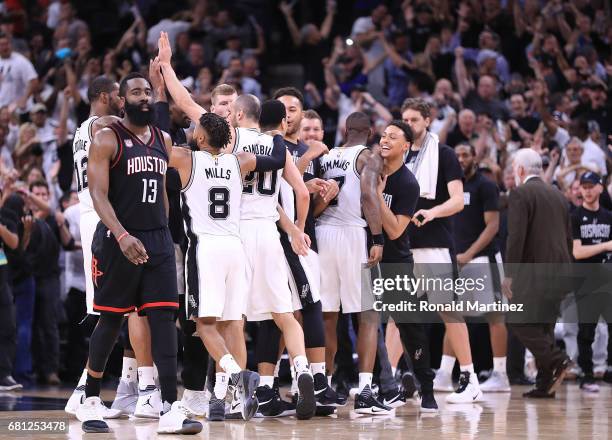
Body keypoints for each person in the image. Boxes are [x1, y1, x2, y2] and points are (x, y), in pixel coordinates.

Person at [157, 31, 317, 420]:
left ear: (237, 115)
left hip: (221, 240)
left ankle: (230, 382)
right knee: (264, 317)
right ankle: (292, 374)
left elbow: (175, 112)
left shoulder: (209, 149)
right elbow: (287, 173)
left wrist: (164, 66)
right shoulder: (248, 156)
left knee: (215, 324)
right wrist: (296, 226)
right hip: (254, 234)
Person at [75, 72, 201, 434]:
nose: (144, 97)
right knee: (111, 319)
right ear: (121, 99)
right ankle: (92, 399)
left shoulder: (162, 138)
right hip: (118, 240)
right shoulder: (105, 138)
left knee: (164, 322)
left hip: (157, 241)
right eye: (136, 92)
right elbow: (98, 195)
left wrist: (165, 234)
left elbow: (162, 191)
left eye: (148, 92)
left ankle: (168, 407)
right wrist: (122, 234)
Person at [169, 111, 286, 421]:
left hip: (205, 248)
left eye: (196, 129)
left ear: (202, 138)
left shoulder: (184, 159)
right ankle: (230, 400)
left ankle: (238, 375)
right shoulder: (241, 161)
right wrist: (276, 136)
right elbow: (275, 160)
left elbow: (157, 144)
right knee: (234, 324)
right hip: (236, 248)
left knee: (203, 325)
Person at [65, 76, 147, 421]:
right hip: (103, 218)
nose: (123, 100)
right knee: (112, 309)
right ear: (104, 97)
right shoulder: (105, 123)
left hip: (96, 216)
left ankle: (124, 388)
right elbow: (140, 126)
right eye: (119, 94)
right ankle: (87, 392)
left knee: (122, 307)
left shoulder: (82, 129)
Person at [271, 88, 344, 412]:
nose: (290, 113)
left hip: (304, 238)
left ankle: (316, 381)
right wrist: (307, 158)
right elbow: (279, 188)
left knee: (309, 309)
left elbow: (306, 201)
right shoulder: (273, 145)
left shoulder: (307, 151)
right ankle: (271, 384)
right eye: (284, 108)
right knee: (276, 314)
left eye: (295, 108)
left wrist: (323, 195)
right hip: (275, 236)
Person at [313, 111, 389, 414]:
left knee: (328, 316)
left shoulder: (329, 155)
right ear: (369, 132)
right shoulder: (368, 156)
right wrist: (378, 238)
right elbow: (370, 195)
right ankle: (366, 390)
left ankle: (325, 387)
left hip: (323, 233)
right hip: (352, 235)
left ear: (346, 130)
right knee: (368, 315)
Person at [376, 120, 438, 412]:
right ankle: (367, 383)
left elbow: (396, 231)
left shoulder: (407, 183)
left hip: (395, 262)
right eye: (383, 135)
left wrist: (375, 194)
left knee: (410, 328)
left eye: (393, 137)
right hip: (364, 259)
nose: (385, 140)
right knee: (362, 324)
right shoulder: (368, 168)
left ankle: (427, 388)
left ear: (406, 146)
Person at [504, 148, 571, 399]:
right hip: (561, 269)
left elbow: (516, 237)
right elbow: (568, 237)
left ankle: (558, 359)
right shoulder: (558, 195)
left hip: (535, 271)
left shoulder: (520, 193)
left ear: (520, 170)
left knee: (516, 321)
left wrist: (509, 274)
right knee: (544, 325)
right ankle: (545, 384)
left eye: (513, 168)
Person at [453, 143, 510, 392]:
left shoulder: (486, 186)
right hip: (456, 260)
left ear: (474, 157)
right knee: (453, 316)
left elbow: (493, 226)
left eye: (465, 154)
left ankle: (501, 375)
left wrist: (469, 254)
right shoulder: (450, 187)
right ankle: (444, 373)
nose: (461, 158)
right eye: (457, 155)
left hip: (483, 258)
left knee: (495, 316)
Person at [570, 171, 612, 393]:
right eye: (583, 186)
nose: (586, 190)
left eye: (590, 186)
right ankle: (586, 374)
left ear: (600, 188)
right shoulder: (575, 216)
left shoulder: (609, 216)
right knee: (587, 329)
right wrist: (605, 246)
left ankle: (608, 370)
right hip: (585, 280)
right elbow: (577, 252)